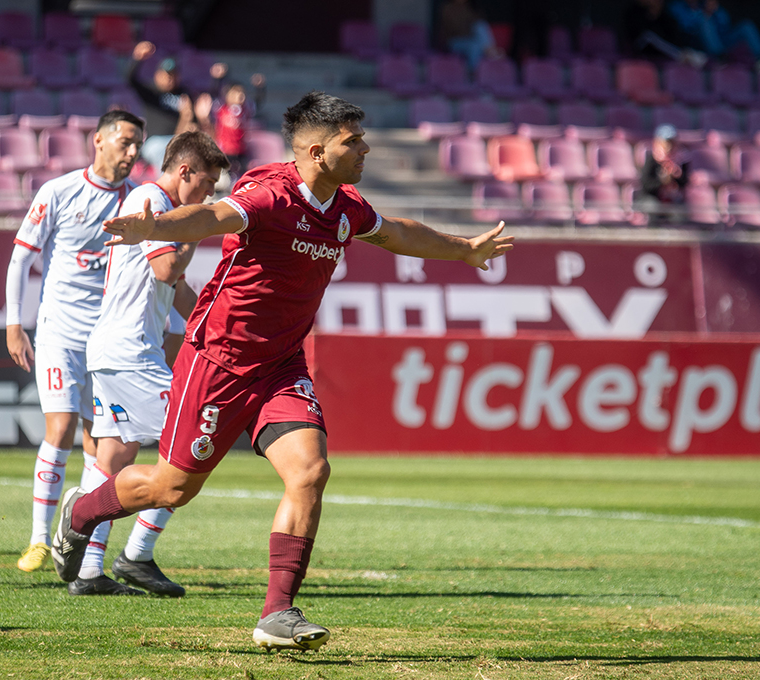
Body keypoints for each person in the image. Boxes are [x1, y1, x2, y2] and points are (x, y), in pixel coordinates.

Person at [51, 91, 513, 650]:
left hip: (281, 365)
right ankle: (81, 513)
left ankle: (277, 614)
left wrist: (464, 249)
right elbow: (213, 215)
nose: (364, 148)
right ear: (318, 151)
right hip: (217, 359)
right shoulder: (268, 194)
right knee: (172, 490)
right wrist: (156, 228)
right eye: (353, 141)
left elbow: (397, 233)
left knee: (310, 472)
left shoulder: (345, 207)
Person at [73, 131, 230, 597]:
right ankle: (137, 553)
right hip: (128, 353)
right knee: (196, 442)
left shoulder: (158, 206)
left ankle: (88, 571)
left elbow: (174, 286)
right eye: (207, 184)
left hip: (118, 350)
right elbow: (166, 269)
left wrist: (210, 324)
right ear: (185, 171)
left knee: (115, 460)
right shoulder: (148, 200)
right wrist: (201, 225)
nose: (209, 196)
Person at [5, 110, 145, 582]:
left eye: (137, 146)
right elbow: (21, 257)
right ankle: (39, 539)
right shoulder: (60, 191)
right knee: (60, 427)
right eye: (125, 142)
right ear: (99, 140)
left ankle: (80, 548)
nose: (131, 153)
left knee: (99, 443)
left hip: (107, 339)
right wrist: (13, 324)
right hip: (60, 331)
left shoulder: (136, 203)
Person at [128, 40, 213, 172]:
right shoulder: (152, 92)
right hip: (156, 142)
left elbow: (193, 123)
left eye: (173, 75)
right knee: (168, 157)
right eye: (166, 75)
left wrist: (202, 118)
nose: (169, 79)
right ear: (157, 75)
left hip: (180, 140)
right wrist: (137, 59)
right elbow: (130, 80)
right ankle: (165, 189)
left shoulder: (185, 94)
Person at [210, 67, 267, 181]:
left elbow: (258, 102)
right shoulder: (222, 108)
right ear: (227, 95)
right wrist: (219, 79)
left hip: (240, 150)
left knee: (240, 177)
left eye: (242, 93)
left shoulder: (246, 109)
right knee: (222, 178)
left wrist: (260, 88)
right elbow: (215, 93)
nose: (240, 96)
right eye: (236, 93)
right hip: (224, 151)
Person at [669, 0, 760, 62]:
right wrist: (704, 14)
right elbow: (685, 27)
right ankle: (719, 57)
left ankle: (759, 57)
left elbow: (725, 24)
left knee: (746, 26)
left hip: (721, 40)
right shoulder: (677, 7)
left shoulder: (705, 4)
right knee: (705, 21)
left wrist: (715, 12)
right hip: (697, 43)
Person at [640, 123, 690, 223]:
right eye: (666, 142)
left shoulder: (681, 160)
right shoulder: (652, 159)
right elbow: (646, 185)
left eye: (671, 142)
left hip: (673, 199)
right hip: (652, 198)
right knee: (653, 208)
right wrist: (662, 181)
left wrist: (676, 176)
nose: (669, 146)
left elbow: (684, 183)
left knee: (680, 215)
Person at [439, 0, 502, 70]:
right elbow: (455, 30)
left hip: (469, 38)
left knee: (480, 26)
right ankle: (473, 72)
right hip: (454, 41)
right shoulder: (448, 9)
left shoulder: (469, 8)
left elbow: (476, 22)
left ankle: (490, 51)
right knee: (474, 46)